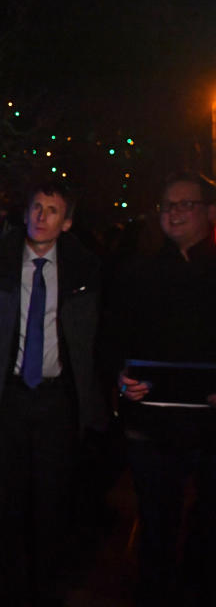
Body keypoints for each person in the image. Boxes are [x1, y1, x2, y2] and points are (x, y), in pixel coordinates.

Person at [0, 180, 106, 606]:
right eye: (37, 207)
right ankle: (6, 592)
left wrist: (95, 403)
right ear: (26, 213)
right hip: (9, 397)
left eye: (52, 210)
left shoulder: (82, 271)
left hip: (57, 400)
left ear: (66, 222)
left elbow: (94, 341)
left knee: (51, 503)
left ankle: (44, 590)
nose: (41, 216)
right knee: (4, 502)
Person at [112, 171, 216, 607]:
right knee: (156, 522)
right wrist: (120, 376)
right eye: (167, 205)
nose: (173, 212)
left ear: (210, 213)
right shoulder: (141, 271)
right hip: (152, 425)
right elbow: (116, 335)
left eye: (184, 204)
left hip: (210, 427)